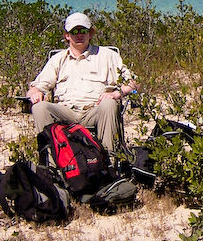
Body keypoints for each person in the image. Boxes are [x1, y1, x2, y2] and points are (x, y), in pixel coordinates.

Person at [26, 12, 138, 153]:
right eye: (74, 31)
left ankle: (109, 160)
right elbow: (35, 87)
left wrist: (117, 93)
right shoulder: (58, 59)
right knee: (40, 108)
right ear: (67, 35)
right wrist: (35, 92)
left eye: (83, 31)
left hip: (95, 110)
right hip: (66, 112)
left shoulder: (108, 56)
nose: (79, 35)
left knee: (109, 104)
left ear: (90, 33)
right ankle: (52, 164)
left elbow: (134, 83)